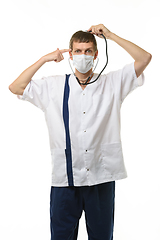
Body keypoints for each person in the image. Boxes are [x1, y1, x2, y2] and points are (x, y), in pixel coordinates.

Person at [9, 24, 152, 240]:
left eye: (87, 51)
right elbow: (16, 87)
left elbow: (144, 58)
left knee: (102, 237)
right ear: (70, 54)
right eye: (77, 51)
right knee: (61, 237)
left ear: (95, 55)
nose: (82, 56)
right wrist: (44, 59)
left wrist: (110, 36)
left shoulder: (112, 83)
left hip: (100, 177)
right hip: (65, 179)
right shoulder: (54, 86)